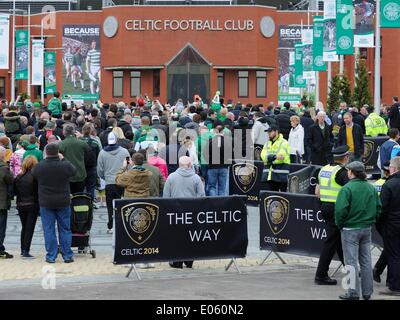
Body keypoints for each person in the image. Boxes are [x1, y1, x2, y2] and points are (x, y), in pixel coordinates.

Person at [335, 161, 381, 300]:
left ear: (351, 172)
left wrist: (340, 224)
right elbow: (378, 208)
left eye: (348, 170)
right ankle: (367, 292)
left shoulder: (347, 189)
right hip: (366, 228)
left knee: (351, 262)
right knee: (366, 262)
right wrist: (371, 220)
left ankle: (353, 292)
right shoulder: (370, 188)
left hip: (350, 229)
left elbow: (340, 210)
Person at [32, 143, 77, 263]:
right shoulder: (64, 165)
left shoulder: (40, 166)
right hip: (63, 201)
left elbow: (33, 174)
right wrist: (64, 159)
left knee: (48, 229)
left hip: (46, 202)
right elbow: (74, 171)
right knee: (65, 229)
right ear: (58, 152)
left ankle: (51, 255)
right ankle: (67, 255)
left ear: (46, 153)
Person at [314, 145, 349, 285]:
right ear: (345, 157)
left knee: (338, 241)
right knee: (331, 242)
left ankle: (349, 268)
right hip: (336, 209)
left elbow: (317, 191)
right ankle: (321, 275)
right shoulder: (342, 172)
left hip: (324, 206)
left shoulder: (324, 169)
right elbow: (350, 190)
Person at [163, 156, 205, 269]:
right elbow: (201, 196)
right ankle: (189, 259)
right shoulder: (196, 178)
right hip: (192, 213)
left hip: (175, 213)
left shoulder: (171, 177)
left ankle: (176, 260)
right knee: (191, 236)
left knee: (176, 237)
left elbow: (166, 196)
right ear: (190, 165)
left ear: (179, 164)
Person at [97, 132, 130, 233]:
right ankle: (122, 224)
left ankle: (110, 226)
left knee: (110, 206)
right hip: (122, 182)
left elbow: (100, 170)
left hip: (109, 183)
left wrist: (106, 177)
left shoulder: (102, 153)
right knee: (122, 205)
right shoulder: (124, 152)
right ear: (116, 140)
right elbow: (129, 166)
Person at [378, 157, 400, 296]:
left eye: (391, 167)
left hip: (392, 225)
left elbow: (382, 209)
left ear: (394, 168)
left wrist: (379, 224)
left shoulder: (389, 185)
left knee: (394, 256)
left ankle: (394, 286)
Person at [14, 156, 39, 258]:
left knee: (24, 227)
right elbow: (37, 191)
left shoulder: (19, 177)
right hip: (32, 204)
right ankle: (25, 251)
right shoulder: (35, 177)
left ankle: (22, 249)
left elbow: (15, 191)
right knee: (29, 228)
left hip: (20, 204)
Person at [372, 161, 390, 284]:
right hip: (387, 220)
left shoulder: (375, 184)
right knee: (392, 247)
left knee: (390, 246)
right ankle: (378, 269)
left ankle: (378, 269)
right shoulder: (390, 184)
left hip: (377, 220)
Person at [59, 124, 89, 194]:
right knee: (79, 196)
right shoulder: (82, 143)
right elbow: (89, 155)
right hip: (81, 173)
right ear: (74, 132)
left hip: (67, 175)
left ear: (64, 132)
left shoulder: (61, 144)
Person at [260, 124, 290, 192]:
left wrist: (269, 159)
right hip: (271, 175)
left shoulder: (284, 143)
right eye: (268, 132)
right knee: (273, 196)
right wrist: (274, 157)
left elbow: (281, 158)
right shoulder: (267, 143)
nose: (268, 134)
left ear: (276, 132)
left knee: (283, 197)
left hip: (282, 174)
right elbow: (263, 156)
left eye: (270, 132)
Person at [0, 146, 14, 259]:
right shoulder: (4, 168)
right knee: (1, 227)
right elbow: (10, 180)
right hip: (1, 203)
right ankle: (0, 250)